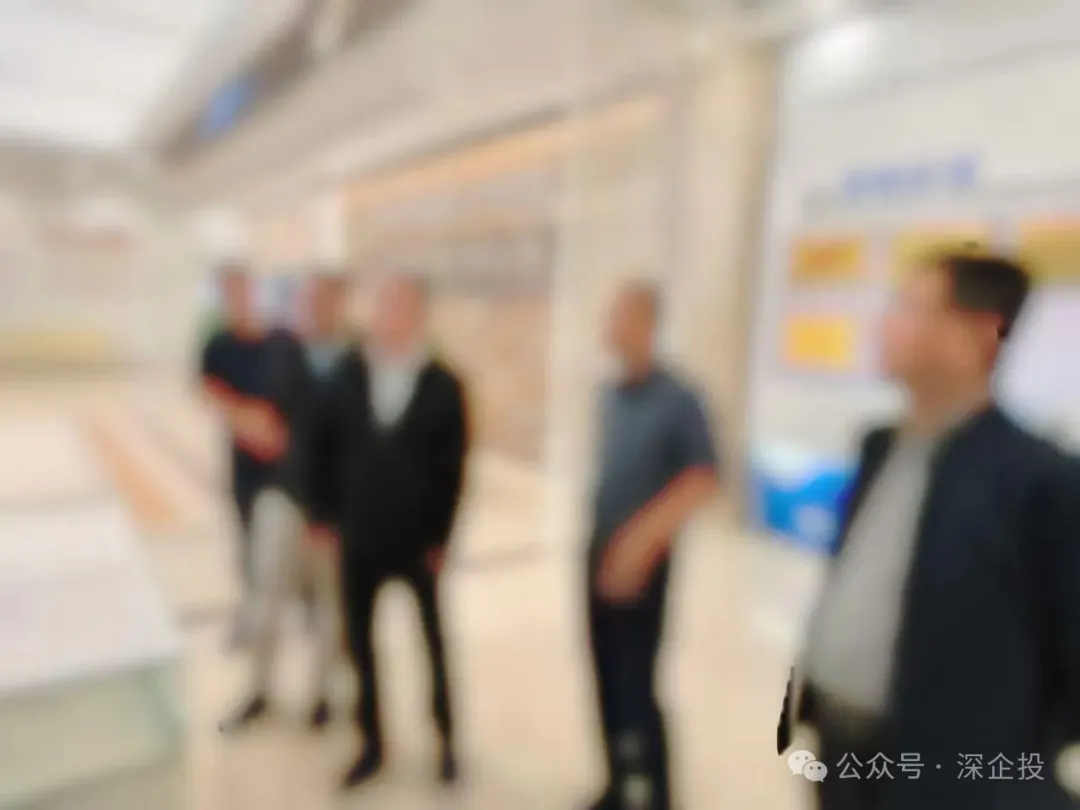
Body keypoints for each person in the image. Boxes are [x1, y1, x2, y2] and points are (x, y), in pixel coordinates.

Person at [777, 252, 1080, 810]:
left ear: (980, 334)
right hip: (845, 754)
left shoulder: (1038, 479)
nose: (885, 324)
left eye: (912, 308)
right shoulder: (879, 447)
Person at [308, 271, 469, 791]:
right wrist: (322, 517)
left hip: (418, 543)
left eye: (399, 304)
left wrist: (442, 538)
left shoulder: (443, 384)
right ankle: (372, 744)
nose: (387, 314)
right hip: (359, 539)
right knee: (361, 645)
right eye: (381, 304)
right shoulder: (346, 376)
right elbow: (321, 446)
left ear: (419, 314)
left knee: (432, 643)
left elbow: (453, 469)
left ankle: (446, 740)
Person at [582, 281, 720, 810]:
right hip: (598, 548)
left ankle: (658, 795)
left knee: (637, 681)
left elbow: (703, 478)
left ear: (646, 324)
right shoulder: (608, 395)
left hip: (646, 559)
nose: (609, 325)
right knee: (603, 675)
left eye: (619, 314)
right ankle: (617, 783)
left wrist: (640, 541)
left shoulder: (680, 398)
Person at [218, 271, 351, 734]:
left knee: (331, 608)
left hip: (334, 512)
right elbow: (257, 414)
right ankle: (260, 690)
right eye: (308, 299)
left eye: (325, 299)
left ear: (340, 303)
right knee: (266, 597)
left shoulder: (355, 361)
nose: (315, 308)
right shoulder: (279, 349)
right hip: (283, 495)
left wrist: (333, 510)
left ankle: (321, 695)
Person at [199, 264, 281, 648]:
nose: (238, 298)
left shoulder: (276, 341)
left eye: (242, 289)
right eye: (230, 292)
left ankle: (298, 611)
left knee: (286, 546)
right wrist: (243, 418)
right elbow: (208, 390)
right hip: (245, 463)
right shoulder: (218, 345)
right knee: (248, 544)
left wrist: (273, 429)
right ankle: (251, 615)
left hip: (281, 461)